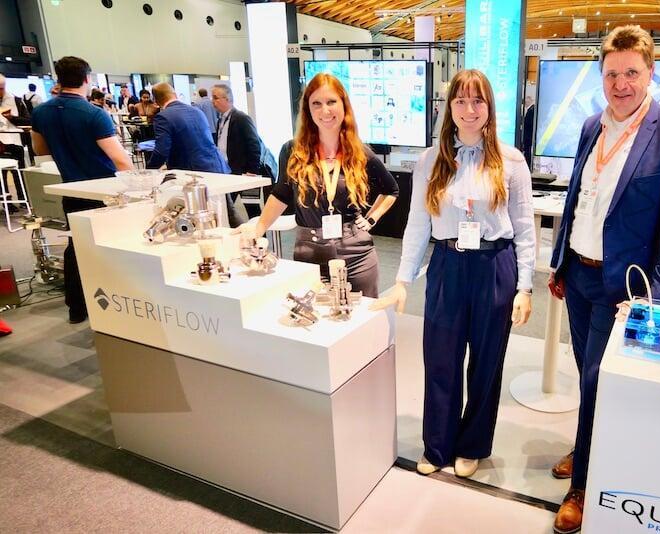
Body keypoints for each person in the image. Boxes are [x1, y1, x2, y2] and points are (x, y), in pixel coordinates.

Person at [546, 25, 660, 534]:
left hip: (625, 289)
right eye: (611, 74)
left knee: (597, 379)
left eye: (631, 73)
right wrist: (560, 262)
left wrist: (655, 299)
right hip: (579, 273)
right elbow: (577, 198)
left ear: (650, 72)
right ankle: (587, 444)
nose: (621, 84)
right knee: (587, 375)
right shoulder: (591, 125)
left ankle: (583, 486)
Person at [372, 69, 535, 479]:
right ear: (450, 108)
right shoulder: (431, 160)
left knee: (486, 362)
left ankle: (473, 444)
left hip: (494, 266)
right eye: (461, 100)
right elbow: (417, 223)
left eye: (477, 100)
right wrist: (403, 279)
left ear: (489, 107)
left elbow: (524, 227)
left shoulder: (512, 161)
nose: (469, 109)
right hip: (447, 264)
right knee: (440, 357)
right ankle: (438, 445)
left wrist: (525, 286)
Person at [252, 73, 398, 297]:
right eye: (316, 104)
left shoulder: (359, 152)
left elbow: (391, 190)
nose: (325, 110)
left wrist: (371, 218)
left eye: (331, 102)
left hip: (355, 253)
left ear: (343, 105)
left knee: (363, 315)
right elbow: (281, 194)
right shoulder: (293, 151)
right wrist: (259, 228)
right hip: (309, 252)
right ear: (308, 110)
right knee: (313, 313)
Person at [30, 56, 133, 323]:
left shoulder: (41, 113)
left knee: (76, 245)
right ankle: (115, 307)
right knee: (111, 246)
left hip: (71, 188)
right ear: (87, 79)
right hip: (103, 191)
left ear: (59, 78)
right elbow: (121, 160)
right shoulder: (94, 114)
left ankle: (76, 307)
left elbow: (40, 149)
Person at [146, 82, 230, 173]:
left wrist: (148, 171)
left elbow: (161, 151)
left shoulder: (163, 117)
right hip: (217, 166)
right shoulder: (196, 110)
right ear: (175, 94)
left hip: (193, 172)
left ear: (156, 100)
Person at [0, 74, 28, 206]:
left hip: (16, 141)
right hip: (1, 143)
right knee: (2, 175)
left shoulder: (16, 100)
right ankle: (7, 203)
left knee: (19, 174)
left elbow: (28, 121)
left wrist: (12, 118)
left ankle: (23, 200)